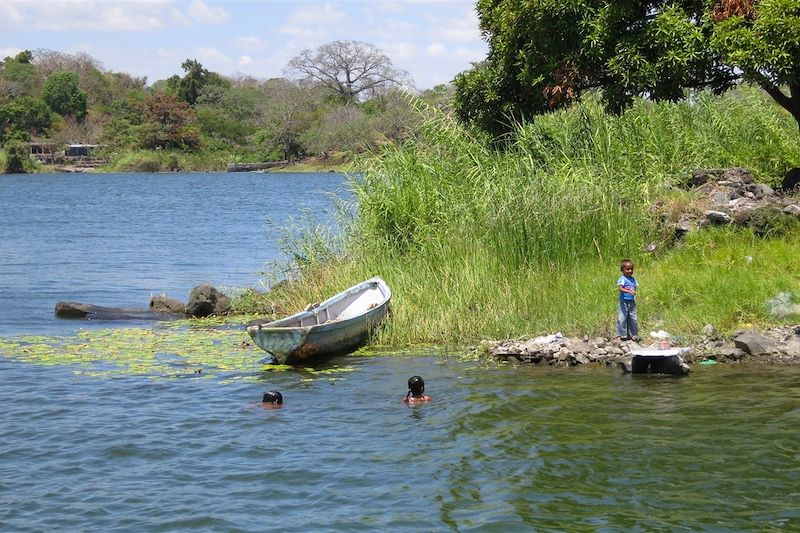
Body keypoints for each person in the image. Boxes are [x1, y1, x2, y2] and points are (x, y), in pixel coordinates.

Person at [616, 259, 639, 341]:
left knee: (633, 318)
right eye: (628, 269)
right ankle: (622, 334)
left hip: (631, 302)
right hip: (624, 301)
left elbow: (635, 287)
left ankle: (633, 334)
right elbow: (620, 288)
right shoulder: (622, 278)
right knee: (622, 318)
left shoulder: (633, 279)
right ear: (622, 270)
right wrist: (629, 291)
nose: (630, 271)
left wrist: (633, 293)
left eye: (631, 269)